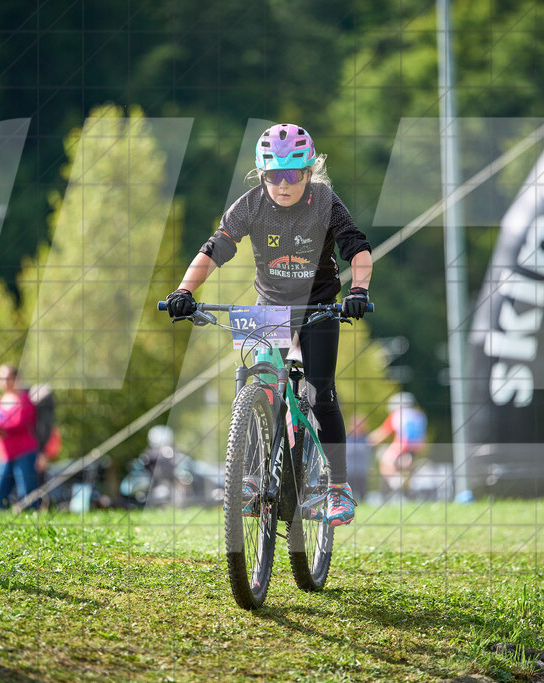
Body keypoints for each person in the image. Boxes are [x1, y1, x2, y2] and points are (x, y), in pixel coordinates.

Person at [165, 123, 373, 526]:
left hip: (318, 307)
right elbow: (213, 250)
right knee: (255, 380)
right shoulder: (250, 206)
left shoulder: (326, 202)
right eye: (273, 175)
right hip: (270, 307)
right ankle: (248, 475)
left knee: (320, 392)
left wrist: (359, 291)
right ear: (262, 176)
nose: (283, 183)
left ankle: (337, 487)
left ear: (308, 173)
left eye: (292, 174)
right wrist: (183, 291)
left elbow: (358, 249)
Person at [0, 364, 40, 510]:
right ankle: (4, 526)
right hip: (5, 455)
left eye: (7, 378)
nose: (3, 381)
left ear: (15, 379)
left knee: (27, 494)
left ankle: (31, 525)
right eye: (1, 378)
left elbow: (20, 423)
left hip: (24, 452)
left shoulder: (24, 399)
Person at [369, 392, 428, 497]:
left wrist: (366, 441)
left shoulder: (397, 415)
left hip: (402, 445)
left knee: (384, 462)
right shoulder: (419, 415)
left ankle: (398, 487)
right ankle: (407, 488)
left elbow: (382, 433)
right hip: (417, 448)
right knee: (406, 469)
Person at [344, 414, 371, 500]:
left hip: (361, 472)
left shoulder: (366, 438)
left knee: (362, 495)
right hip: (348, 472)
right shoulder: (346, 438)